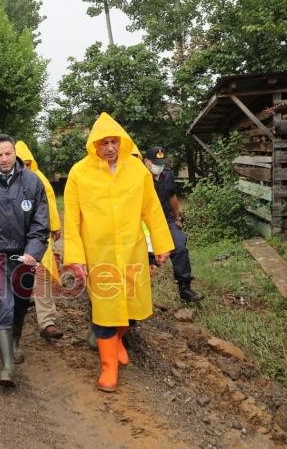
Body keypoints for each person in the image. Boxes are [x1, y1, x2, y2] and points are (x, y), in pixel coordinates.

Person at [64, 113, 173, 392]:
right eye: (104, 143)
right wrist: (75, 257)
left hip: (132, 250)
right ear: (94, 145)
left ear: (122, 142)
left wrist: (161, 244)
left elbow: (152, 210)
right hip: (99, 253)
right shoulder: (79, 173)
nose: (110, 147)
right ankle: (108, 366)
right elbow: (72, 220)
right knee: (105, 310)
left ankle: (118, 341)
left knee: (134, 306)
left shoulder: (137, 171)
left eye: (114, 141)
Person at [0, 134, 49, 387]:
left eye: (8, 153)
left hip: (24, 255)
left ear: (15, 153)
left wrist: (33, 251)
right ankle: (7, 366)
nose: (4, 159)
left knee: (20, 301)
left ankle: (14, 342)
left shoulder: (32, 181)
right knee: (2, 300)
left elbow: (40, 222)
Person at [14, 141, 64, 346]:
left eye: (28, 163)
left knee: (43, 275)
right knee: (17, 277)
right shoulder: (4, 182)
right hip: (14, 240)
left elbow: (50, 203)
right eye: (22, 163)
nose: (25, 167)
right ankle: (11, 324)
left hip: (39, 237)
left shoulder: (39, 179)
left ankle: (47, 322)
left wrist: (55, 226)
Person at [143, 146, 204, 302]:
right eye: (156, 163)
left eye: (161, 163)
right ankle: (139, 293)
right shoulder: (139, 177)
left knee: (180, 247)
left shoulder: (168, 175)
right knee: (146, 257)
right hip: (146, 222)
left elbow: (172, 196)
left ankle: (185, 288)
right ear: (146, 162)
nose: (159, 166)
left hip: (167, 219)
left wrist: (177, 218)